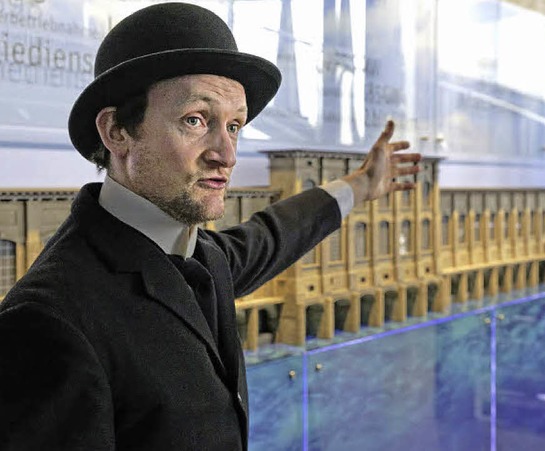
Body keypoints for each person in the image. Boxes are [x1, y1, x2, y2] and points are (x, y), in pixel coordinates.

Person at [0, 2, 420, 450]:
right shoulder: (48, 321)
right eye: (196, 120)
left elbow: (270, 238)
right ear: (117, 131)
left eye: (234, 126)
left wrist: (359, 185)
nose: (227, 154)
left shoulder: (199, 256)